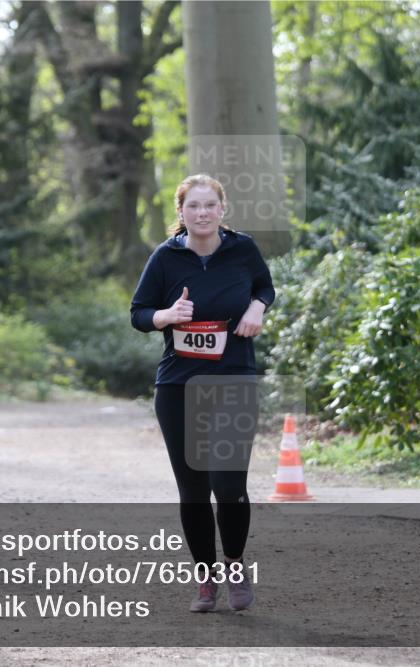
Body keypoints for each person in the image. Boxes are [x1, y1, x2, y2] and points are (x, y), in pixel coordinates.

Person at [131, 174, 275, 612]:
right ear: (181, 213)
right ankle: (205, 580)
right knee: (193, 489)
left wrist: (256, 308)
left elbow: (265, 287)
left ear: (222, 209)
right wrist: (167, 315)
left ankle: (234, 564)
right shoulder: (165, 258)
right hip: (178, 387)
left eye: (209, 205)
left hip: (233, 380)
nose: (202, 213)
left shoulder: (242, 249)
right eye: (193, 206)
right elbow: (138, 313)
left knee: (229, 485)